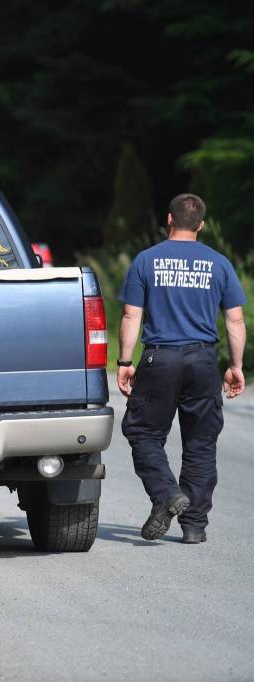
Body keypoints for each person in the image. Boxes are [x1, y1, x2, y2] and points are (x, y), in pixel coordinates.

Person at [117, 193, 246, 544]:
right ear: (201, 225)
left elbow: (131, 314)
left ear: (169, 219)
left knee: (143, 433)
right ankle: (194, 526)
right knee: (201, 443)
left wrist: (125, 361)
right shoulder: (219, 264)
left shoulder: (146, 260)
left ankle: (166, 492)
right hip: (203, 360)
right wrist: (235, 365)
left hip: (160, 358)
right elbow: (234, 320)